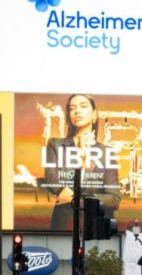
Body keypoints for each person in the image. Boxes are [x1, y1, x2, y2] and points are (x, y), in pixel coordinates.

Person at [44, 94, 121, 231]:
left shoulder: (107, 152)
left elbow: (113, 199)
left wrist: (78, 200)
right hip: (64, 225)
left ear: (94, 114)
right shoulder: (55, 145)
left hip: (96, 227)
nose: (77, 111)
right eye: (72, 108)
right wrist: (81, 158)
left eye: (83, 106)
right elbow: (52, 182)